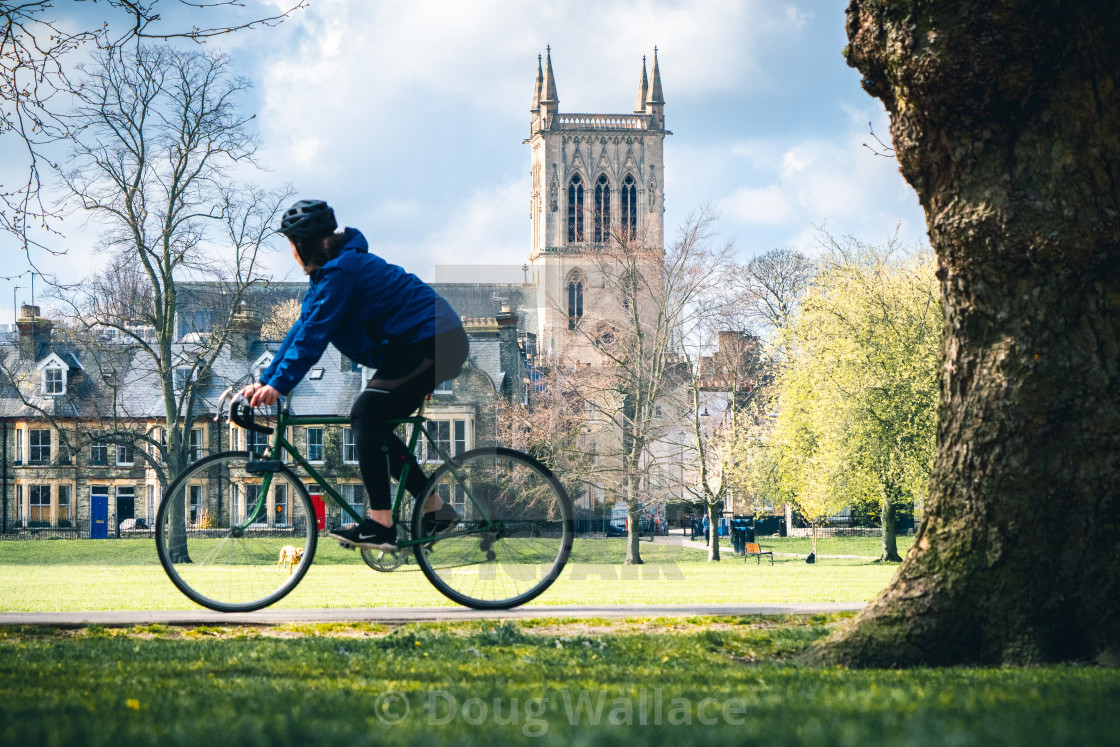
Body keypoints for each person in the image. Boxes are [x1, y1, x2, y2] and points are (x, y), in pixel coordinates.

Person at [240, 199, 468, 551]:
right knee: (375, 427)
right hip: (420, 345)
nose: (291, 254)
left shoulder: (341, 272)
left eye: (290, 245)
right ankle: (436, 509)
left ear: (302, 243)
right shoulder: (329, 276)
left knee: (364, 415)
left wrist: (279, 385)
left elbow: (314, 336)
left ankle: (380, 523)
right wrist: (268, 379)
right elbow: (301, 330)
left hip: (435, 342)